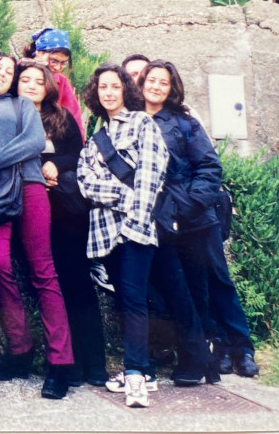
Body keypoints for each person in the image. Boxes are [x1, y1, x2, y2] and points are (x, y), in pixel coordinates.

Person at [0, 53, 74, 399]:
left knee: (43, 270)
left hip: (29, 185)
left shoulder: (21, 105)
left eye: (10, 72)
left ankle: (60, 362)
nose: (5, 75)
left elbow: (33, 144)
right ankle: (20, 349)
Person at [139, 60, 258, 379]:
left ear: (172, 87)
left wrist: (185, 204)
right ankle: (213, 347)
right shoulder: (131, 120)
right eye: (151, 80)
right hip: (160, 220)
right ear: (141, 83)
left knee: (216, 279)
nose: (156, 87)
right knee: (186, 288)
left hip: (196, 217)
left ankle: (241, 347)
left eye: (163, 82)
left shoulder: (184, 121)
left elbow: (209, 168)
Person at [78, 63, 171, 408]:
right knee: (124, 299)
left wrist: (135, 216)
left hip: (136, 228)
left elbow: (150, 174)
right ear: (96, 92)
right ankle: (143, 368)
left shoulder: (142, 123)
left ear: (124, 90)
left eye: (115, 86)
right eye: (103, 87)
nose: (109, 92)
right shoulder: (95, 138)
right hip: (104, 232)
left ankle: (134, 375)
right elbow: (85, 182)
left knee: (132, 299)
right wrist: (121, 195)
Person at [16, 61, 107, 386]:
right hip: (31, 214)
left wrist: (54, 164)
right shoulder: (11, 116)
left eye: (37, 81)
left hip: (65, 214)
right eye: (24, 79)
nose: (30, 85)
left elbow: (78, 154)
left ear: (48, 87)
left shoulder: (59, 117)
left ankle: (94, 364)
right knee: (50, 287)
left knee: (77, 285)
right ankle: (68, 364)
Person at [22, 27, 84, 141]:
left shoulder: (61, 82)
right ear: (39, 52)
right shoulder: (17, 73)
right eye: (54, 61)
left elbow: (75, 120)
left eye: (63, 63)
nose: (58, 68)